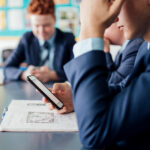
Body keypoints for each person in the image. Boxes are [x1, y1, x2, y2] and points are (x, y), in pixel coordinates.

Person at [43, 0, 150, 149]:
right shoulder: (145, 47)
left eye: (116, 2)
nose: (114, 17)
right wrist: (77, 96)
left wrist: (90, 28)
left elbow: (94, 133)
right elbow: (126, 90)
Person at [4, 0, 75, 83]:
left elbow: (76, 71)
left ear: (54, 20)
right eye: (36, 25)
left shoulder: (68, 39)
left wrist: (52, 75)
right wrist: (24, 75)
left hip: (60, 90)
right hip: (31, 92)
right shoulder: (27, 39)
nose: (41, 31)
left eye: (46, 25)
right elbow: (7, 68)